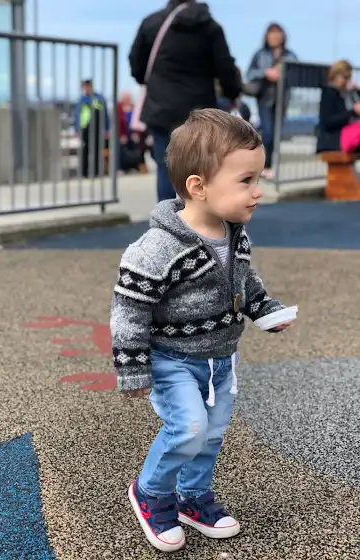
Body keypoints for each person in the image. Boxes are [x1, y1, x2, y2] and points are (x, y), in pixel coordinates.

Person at [110, 109, 294, 553]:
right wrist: (132, 367)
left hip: (220, 359)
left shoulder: (234, 235)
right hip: (172, 359)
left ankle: (193, 496)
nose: (257, 191)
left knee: (211, 434)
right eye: (246, 180)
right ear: (198, 186)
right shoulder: (158, 248)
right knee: (189, 428)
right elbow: (129, 309)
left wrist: (265, 309)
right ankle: (152, 492)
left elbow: (244, 282)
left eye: (258, 178)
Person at [129, 0, 241, 202]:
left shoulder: (152, 23)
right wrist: (232, 93)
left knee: (166, 167)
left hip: (161, 106)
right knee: (199, 168)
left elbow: (136, 63)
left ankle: (166, 218)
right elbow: (225, 67)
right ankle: (198, 216)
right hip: (199, 108)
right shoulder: (210, 27)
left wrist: (152, 81)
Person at [247, 23, 297, 180]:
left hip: (282, 99)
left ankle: (268, 166)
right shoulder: (260, 54)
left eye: (278, 33)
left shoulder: (290, 55)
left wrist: (284, 75)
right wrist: (265, 73)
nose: (275, 37)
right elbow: (250, 74)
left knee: (276, 135)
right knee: (267, 133)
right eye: (272, 34)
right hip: (265, 98)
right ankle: (264, 166)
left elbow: (296, 73)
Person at [317, 60, 360, 153]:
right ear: (335, 76)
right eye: (345, 78)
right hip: (332, 140)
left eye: (349, 78)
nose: (347, 81)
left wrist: (357, 92)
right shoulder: (329, 93)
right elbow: (328, 121)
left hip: (344, 137)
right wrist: (353, 112)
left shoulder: (345, 94)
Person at [73, 79, 109, 178]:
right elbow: (77, 115)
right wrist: (76, 128)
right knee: (85, 150)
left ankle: (96, 171)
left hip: (97, 128)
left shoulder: (99, 98)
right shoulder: (82, 100)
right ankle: (84, 172)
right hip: (85, 128)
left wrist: (106, 129)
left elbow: (105, 115)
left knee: (97, 150)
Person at [117, 91, 147, 173]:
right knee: (121, 148)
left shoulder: (134, 108)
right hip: (121, 135)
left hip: (132, 134)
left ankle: (137, 166)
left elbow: (137, 122)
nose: (127, 100)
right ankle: (122, 168)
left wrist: (135, 133)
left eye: (128, 98)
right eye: (126, 98)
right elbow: (117, 123)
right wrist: (121, 135)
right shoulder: (118, 108)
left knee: (138, 146)